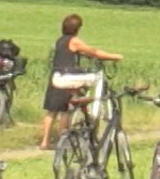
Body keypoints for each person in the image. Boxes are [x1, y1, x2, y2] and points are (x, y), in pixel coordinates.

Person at [39, 13, 122, 150]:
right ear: (77, 29)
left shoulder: (60, 41)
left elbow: (70, 53)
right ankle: (63, 139)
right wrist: (113, 56)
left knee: (52, 111)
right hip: (68, 77)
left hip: (56, 75)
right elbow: (93, 52)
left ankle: (45, 142)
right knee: (65, 110)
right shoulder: (74, 41)